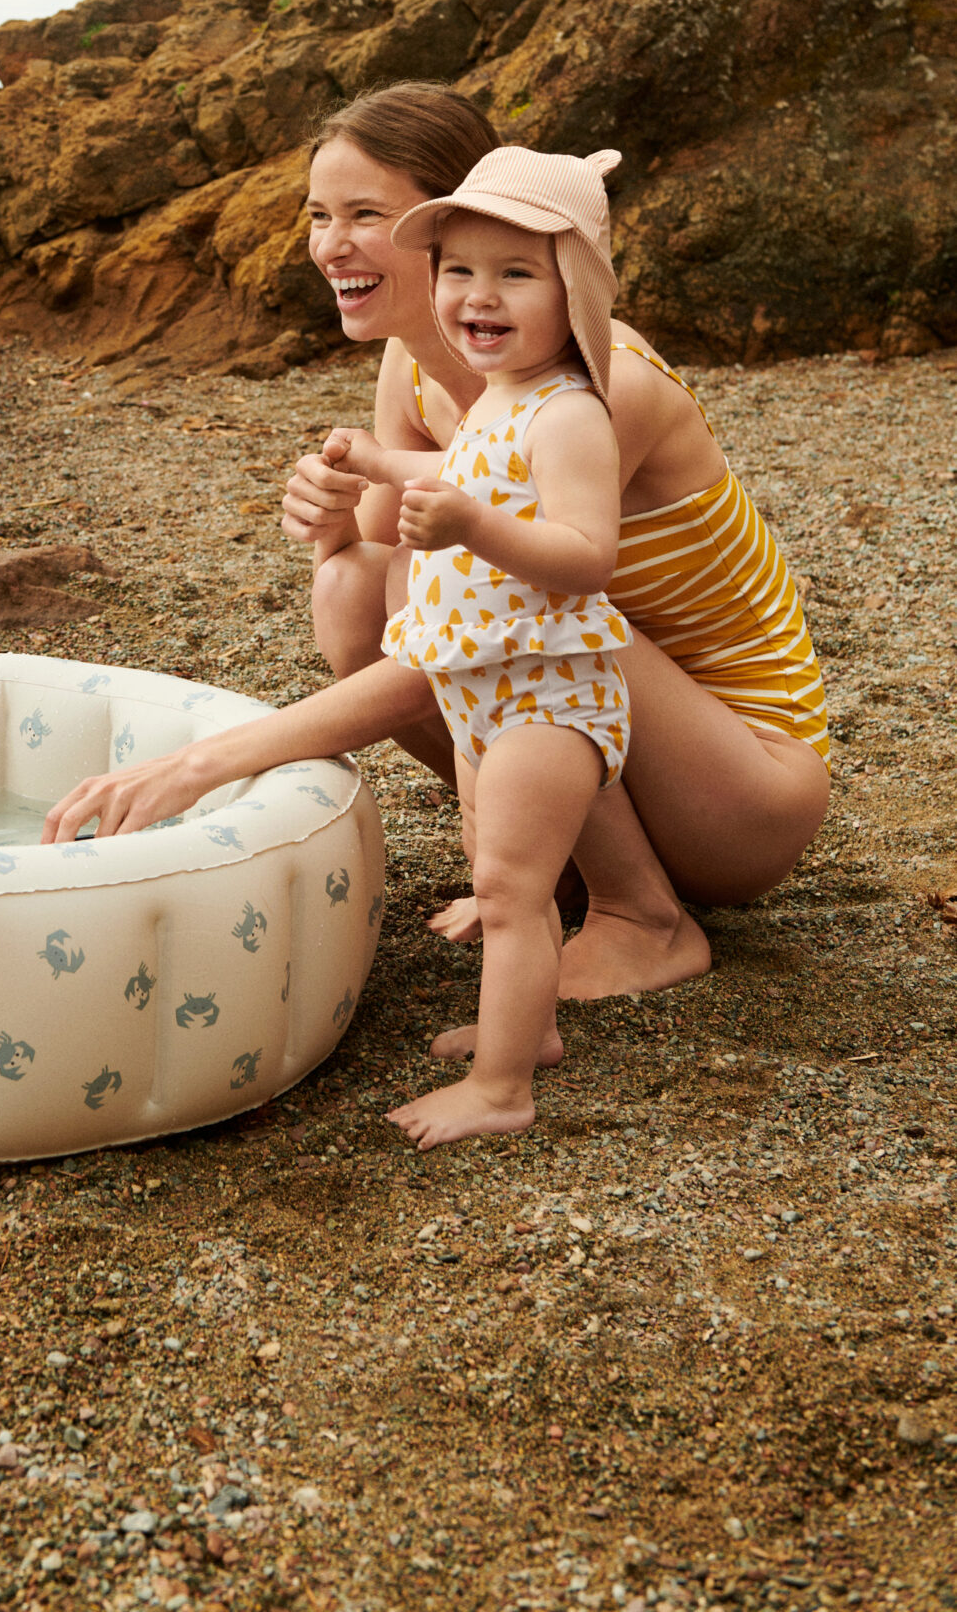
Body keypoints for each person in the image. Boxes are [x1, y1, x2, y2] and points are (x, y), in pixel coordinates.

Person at [41, 84, 831, 1013]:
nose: (330, 246)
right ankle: (546, 869)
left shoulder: (597, 381)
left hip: (743, 782)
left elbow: (461, 636)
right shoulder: (413, 365)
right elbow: (380, 590)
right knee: (350, 586)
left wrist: (204, 761)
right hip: (621, 726)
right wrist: (331, 525)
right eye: (318, 216)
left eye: (365, 215)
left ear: (456, 220)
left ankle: (642, 914)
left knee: (454, 590)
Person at [321, 145, 633, 1144]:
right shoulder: (499, 396)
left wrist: (471, 529)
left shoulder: (573, 413)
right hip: (480, 687)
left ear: (571, 289)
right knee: (490, 860)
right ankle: (526, 1028)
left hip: (548, 697)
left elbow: (585, 552)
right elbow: (461, 460)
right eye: (457, 270)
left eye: (514, 274)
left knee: (507, 886)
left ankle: (502, 1090)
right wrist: (375, 458)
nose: (476, 296)